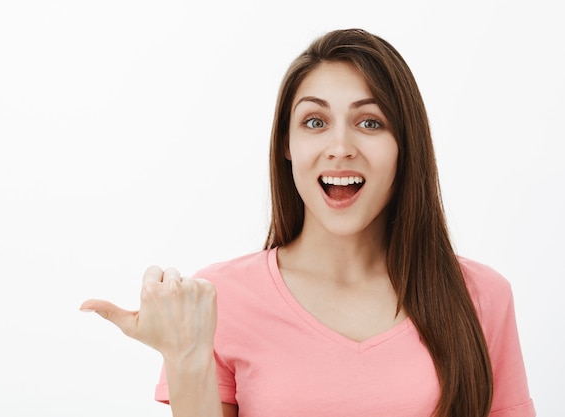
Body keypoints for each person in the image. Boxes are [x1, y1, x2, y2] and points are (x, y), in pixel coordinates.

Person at [81, 28, 535, 417]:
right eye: (315, 121)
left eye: (370, 123)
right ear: (287, 145)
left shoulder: (481, 297)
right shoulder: (218, 302)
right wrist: (184, 357)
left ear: (405, 145)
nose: (340, 146)